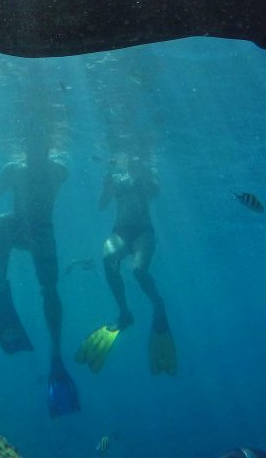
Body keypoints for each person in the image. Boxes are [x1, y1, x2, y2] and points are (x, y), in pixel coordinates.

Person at [0, 129, 80, 417]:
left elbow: (59, 174)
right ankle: (3, 288)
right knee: (2, 221)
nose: (33, 150)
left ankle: (56, 353)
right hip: (20, 229)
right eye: (30, 144)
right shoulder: (15, 170)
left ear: (46, 147)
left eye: (38, 144)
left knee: (50, 290)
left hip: (43, 235)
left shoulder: (59, 170)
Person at [75, 155, 177, 376]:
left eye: (137, 156)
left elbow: (154, 191)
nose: (132, 159)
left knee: (139, 271)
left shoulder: (150, 173)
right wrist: (107, 186)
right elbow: (102, 205)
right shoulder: (117, 178)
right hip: (120, 230)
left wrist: (141, 177)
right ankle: (124, 313)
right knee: (108, 259)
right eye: (129, 157)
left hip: (143, 231)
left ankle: (158, 304)